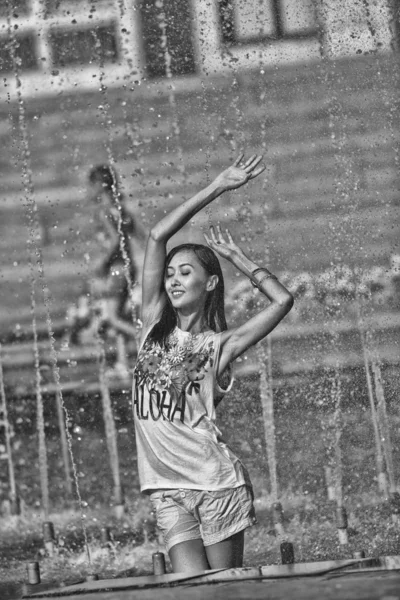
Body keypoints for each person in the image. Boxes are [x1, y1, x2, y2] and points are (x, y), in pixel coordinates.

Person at [132, 153, 294, 573]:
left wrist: (239, 260)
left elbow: (283, 301)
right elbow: (155, 235)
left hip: (215, 485)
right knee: (191, 589)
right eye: (170, 273)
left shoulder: (218, 345)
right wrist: (218, 185)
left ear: (209, 284)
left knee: (225, 589)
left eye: (186, 272)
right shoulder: (152, 325)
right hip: (165, 488)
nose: (172, 279)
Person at [66, 165, 146, 377]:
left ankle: (152, 342)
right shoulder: (122, 209)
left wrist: (101, 263)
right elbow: (141, 236)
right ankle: (122, 363)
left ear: (99, 186)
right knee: (118, 315)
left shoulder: (103, 212)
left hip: (116, 270)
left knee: (111, 319)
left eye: (90, 186)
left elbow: (114, 242)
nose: (88, 191)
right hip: (129, 267)